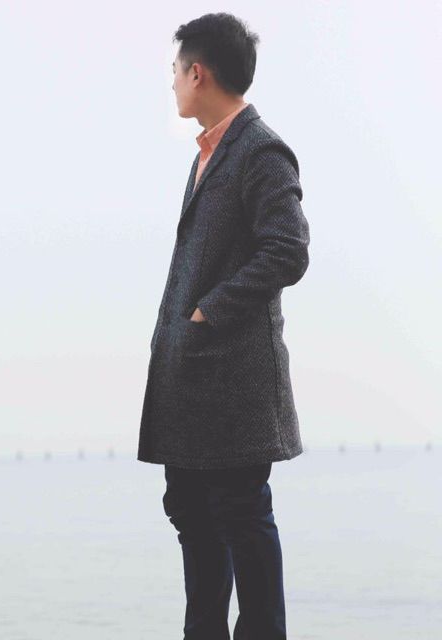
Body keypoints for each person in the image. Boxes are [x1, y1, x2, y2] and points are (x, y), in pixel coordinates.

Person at [137, 12, 311, 640]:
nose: (172, 83)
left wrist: (208, 311)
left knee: (241, 514)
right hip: (194, 379)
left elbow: (287, 250)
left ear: (198, 73)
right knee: (191, 511)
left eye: (175, 70)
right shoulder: (209, 155)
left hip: (234, 380)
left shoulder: (260, 150)